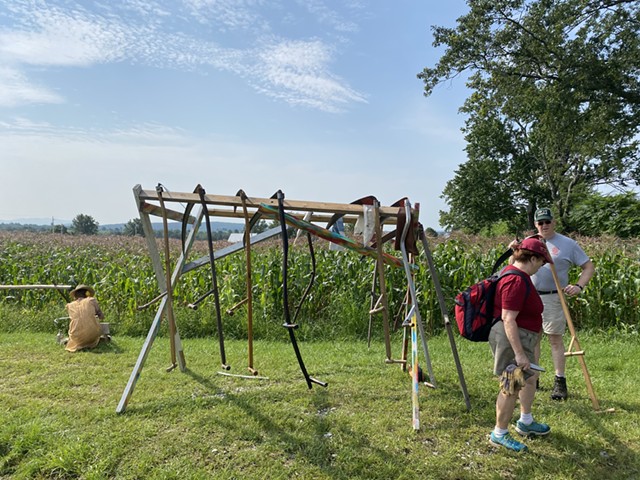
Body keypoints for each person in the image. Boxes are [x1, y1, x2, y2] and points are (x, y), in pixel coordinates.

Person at [489, 236, 553, 452]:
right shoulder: (515, 280)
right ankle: (499, 433)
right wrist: (520, 354)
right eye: (541, 262)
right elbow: (508, 318)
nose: (542, 266)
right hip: (513, 339)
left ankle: (525, 421)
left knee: (524, 380)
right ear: (532, 258)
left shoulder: (516, 273)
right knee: (510, 386)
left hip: (524, 337)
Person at [532, 207, 595, 400]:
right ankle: (532, 380)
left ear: (554, 222)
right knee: (532, 339)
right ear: (535, 224)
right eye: (540, 222)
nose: (544, 226)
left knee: (554, 339)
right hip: (531, 296)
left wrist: (578, 286)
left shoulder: (567, 244)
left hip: (553, 296)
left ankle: (560, 382)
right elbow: (514, 265)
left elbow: (588, 266)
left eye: (547, 222)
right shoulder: (530, 243)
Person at [65, 284, 105, 353]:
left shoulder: (69, 305)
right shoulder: (91, 300)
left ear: (75, 295)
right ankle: (90, 341)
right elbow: (101, 316)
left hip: (76, 338)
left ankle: (77, 343)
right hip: (93, 335)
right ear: (86, 294)